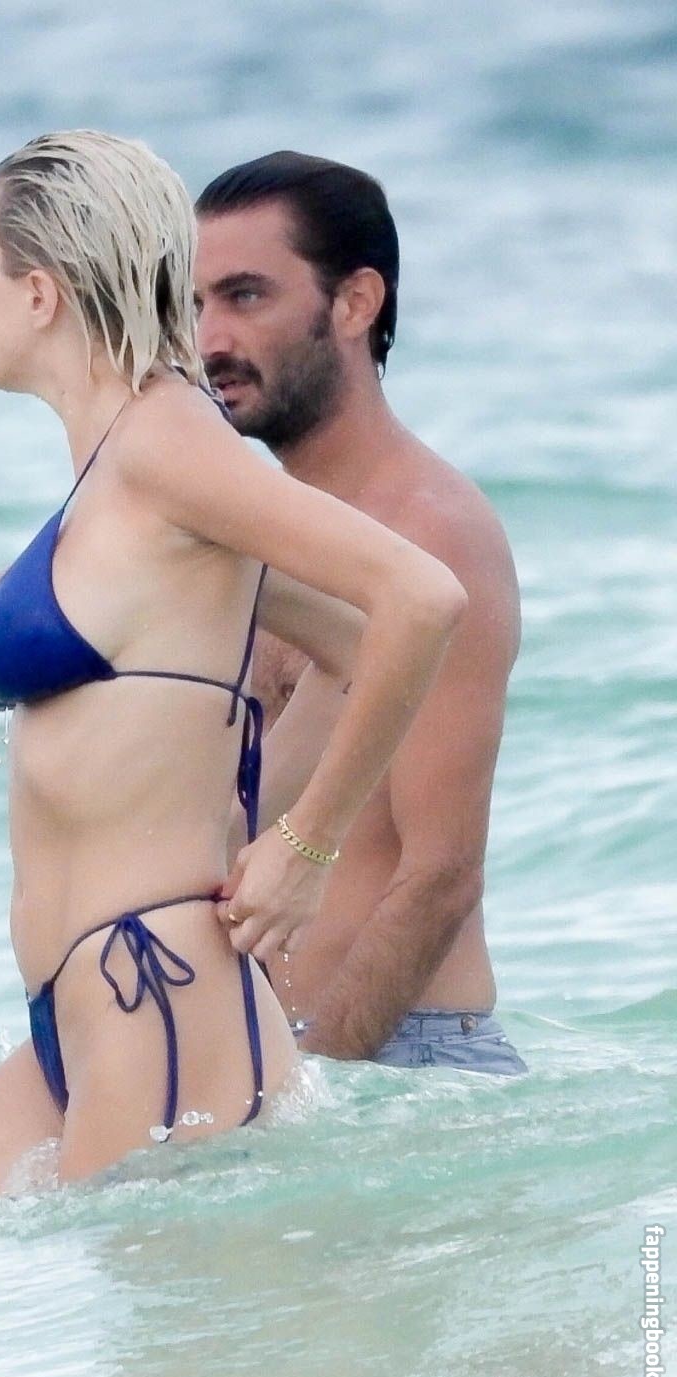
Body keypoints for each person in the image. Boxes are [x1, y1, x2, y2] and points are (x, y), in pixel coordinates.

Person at [0, 131, 465, 1216]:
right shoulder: (124, 469)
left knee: (165, 1335)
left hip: (153, 986)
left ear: (40, 293)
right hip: (92, 1002)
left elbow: (422, 598)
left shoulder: (168, 444)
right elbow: (349, 648)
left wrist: (305, 846)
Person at [195, 151, 528, 1075]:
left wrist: (316, 1086)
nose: (210, 339)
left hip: (400, 1060)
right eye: (196, 304)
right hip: (270, 1058)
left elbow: (440, 875)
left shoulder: (430, 534)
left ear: (354, 304)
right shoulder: (253, 531)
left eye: (246, 297)